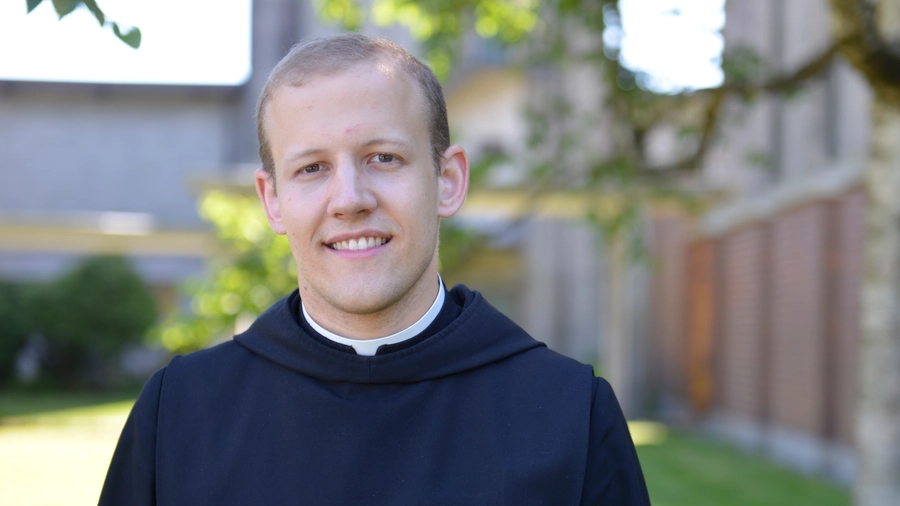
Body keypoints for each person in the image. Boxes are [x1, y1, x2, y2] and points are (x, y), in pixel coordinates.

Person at [100, 33, 650, 505]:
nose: (350, 199)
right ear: (272, 201)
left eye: (383, 158)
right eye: (312, 168)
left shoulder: (569, 415)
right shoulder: (178, 415)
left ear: (449, 179)